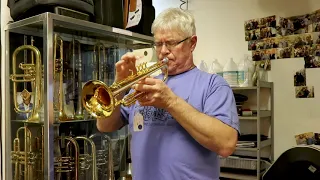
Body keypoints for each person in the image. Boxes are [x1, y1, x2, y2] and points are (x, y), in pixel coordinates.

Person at [97, 8, 239, 180]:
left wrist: (170, 102)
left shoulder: (214, 85)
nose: (163, 51)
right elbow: (105, 126)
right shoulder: (145, 84)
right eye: (158, 43)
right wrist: (117, 86)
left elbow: (226, 144)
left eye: (171, 43)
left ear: (192, 43)